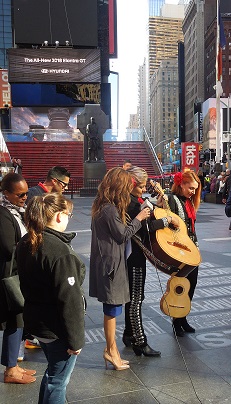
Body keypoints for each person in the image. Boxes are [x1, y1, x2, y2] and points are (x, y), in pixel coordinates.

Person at [17, 193, 86, 403]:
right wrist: (76, 340)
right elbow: (69, 300)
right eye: (68, 214)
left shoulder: (27, 240)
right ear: (58, 216)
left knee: (52, 376)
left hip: (38, 322)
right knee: (58, 381)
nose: (68, 218)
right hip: (57, 329)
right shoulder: (59, 251)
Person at [89, 167, 151, 370]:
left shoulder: (103, 205)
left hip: (108, 262)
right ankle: (111, 350)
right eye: (126, 187)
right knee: (112, 309)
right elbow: (122, 235)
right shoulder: (109, 209)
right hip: (111, 265)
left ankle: (113, 350)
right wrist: (139, 218)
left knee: (113, 309)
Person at [122, 166, 179, 356]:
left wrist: (160, 208)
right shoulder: (130, 203)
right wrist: (166, 220)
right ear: (132, 185)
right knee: (136, 299)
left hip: (133, 254)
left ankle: (129, 334)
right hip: (134, 256)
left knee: (132, 298)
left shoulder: (131, 199)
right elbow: (144, 229)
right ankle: (140, 341)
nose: (144, 189)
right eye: (141, 186)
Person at [0, 172, 36, 384]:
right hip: (9, 275)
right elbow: (7, 247)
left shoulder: (14, 210)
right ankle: (10, 370)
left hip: (17, 272)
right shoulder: (3, 214)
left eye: (26, 193)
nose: (25, 198)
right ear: (6, 193)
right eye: (20, 194)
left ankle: (13, 364)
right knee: (15, 320)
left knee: (18, 321)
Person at [164, 170, 201, 337]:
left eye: (195, 189)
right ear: (181, 184)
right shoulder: (171, 199)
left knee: (191, 284)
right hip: (179, 250)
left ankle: (183, 318)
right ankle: (176, 321)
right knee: (179, 285)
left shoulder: (189, 202)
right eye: (191, 188)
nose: (193, 192)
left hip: (192, 247)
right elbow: (166, 223)